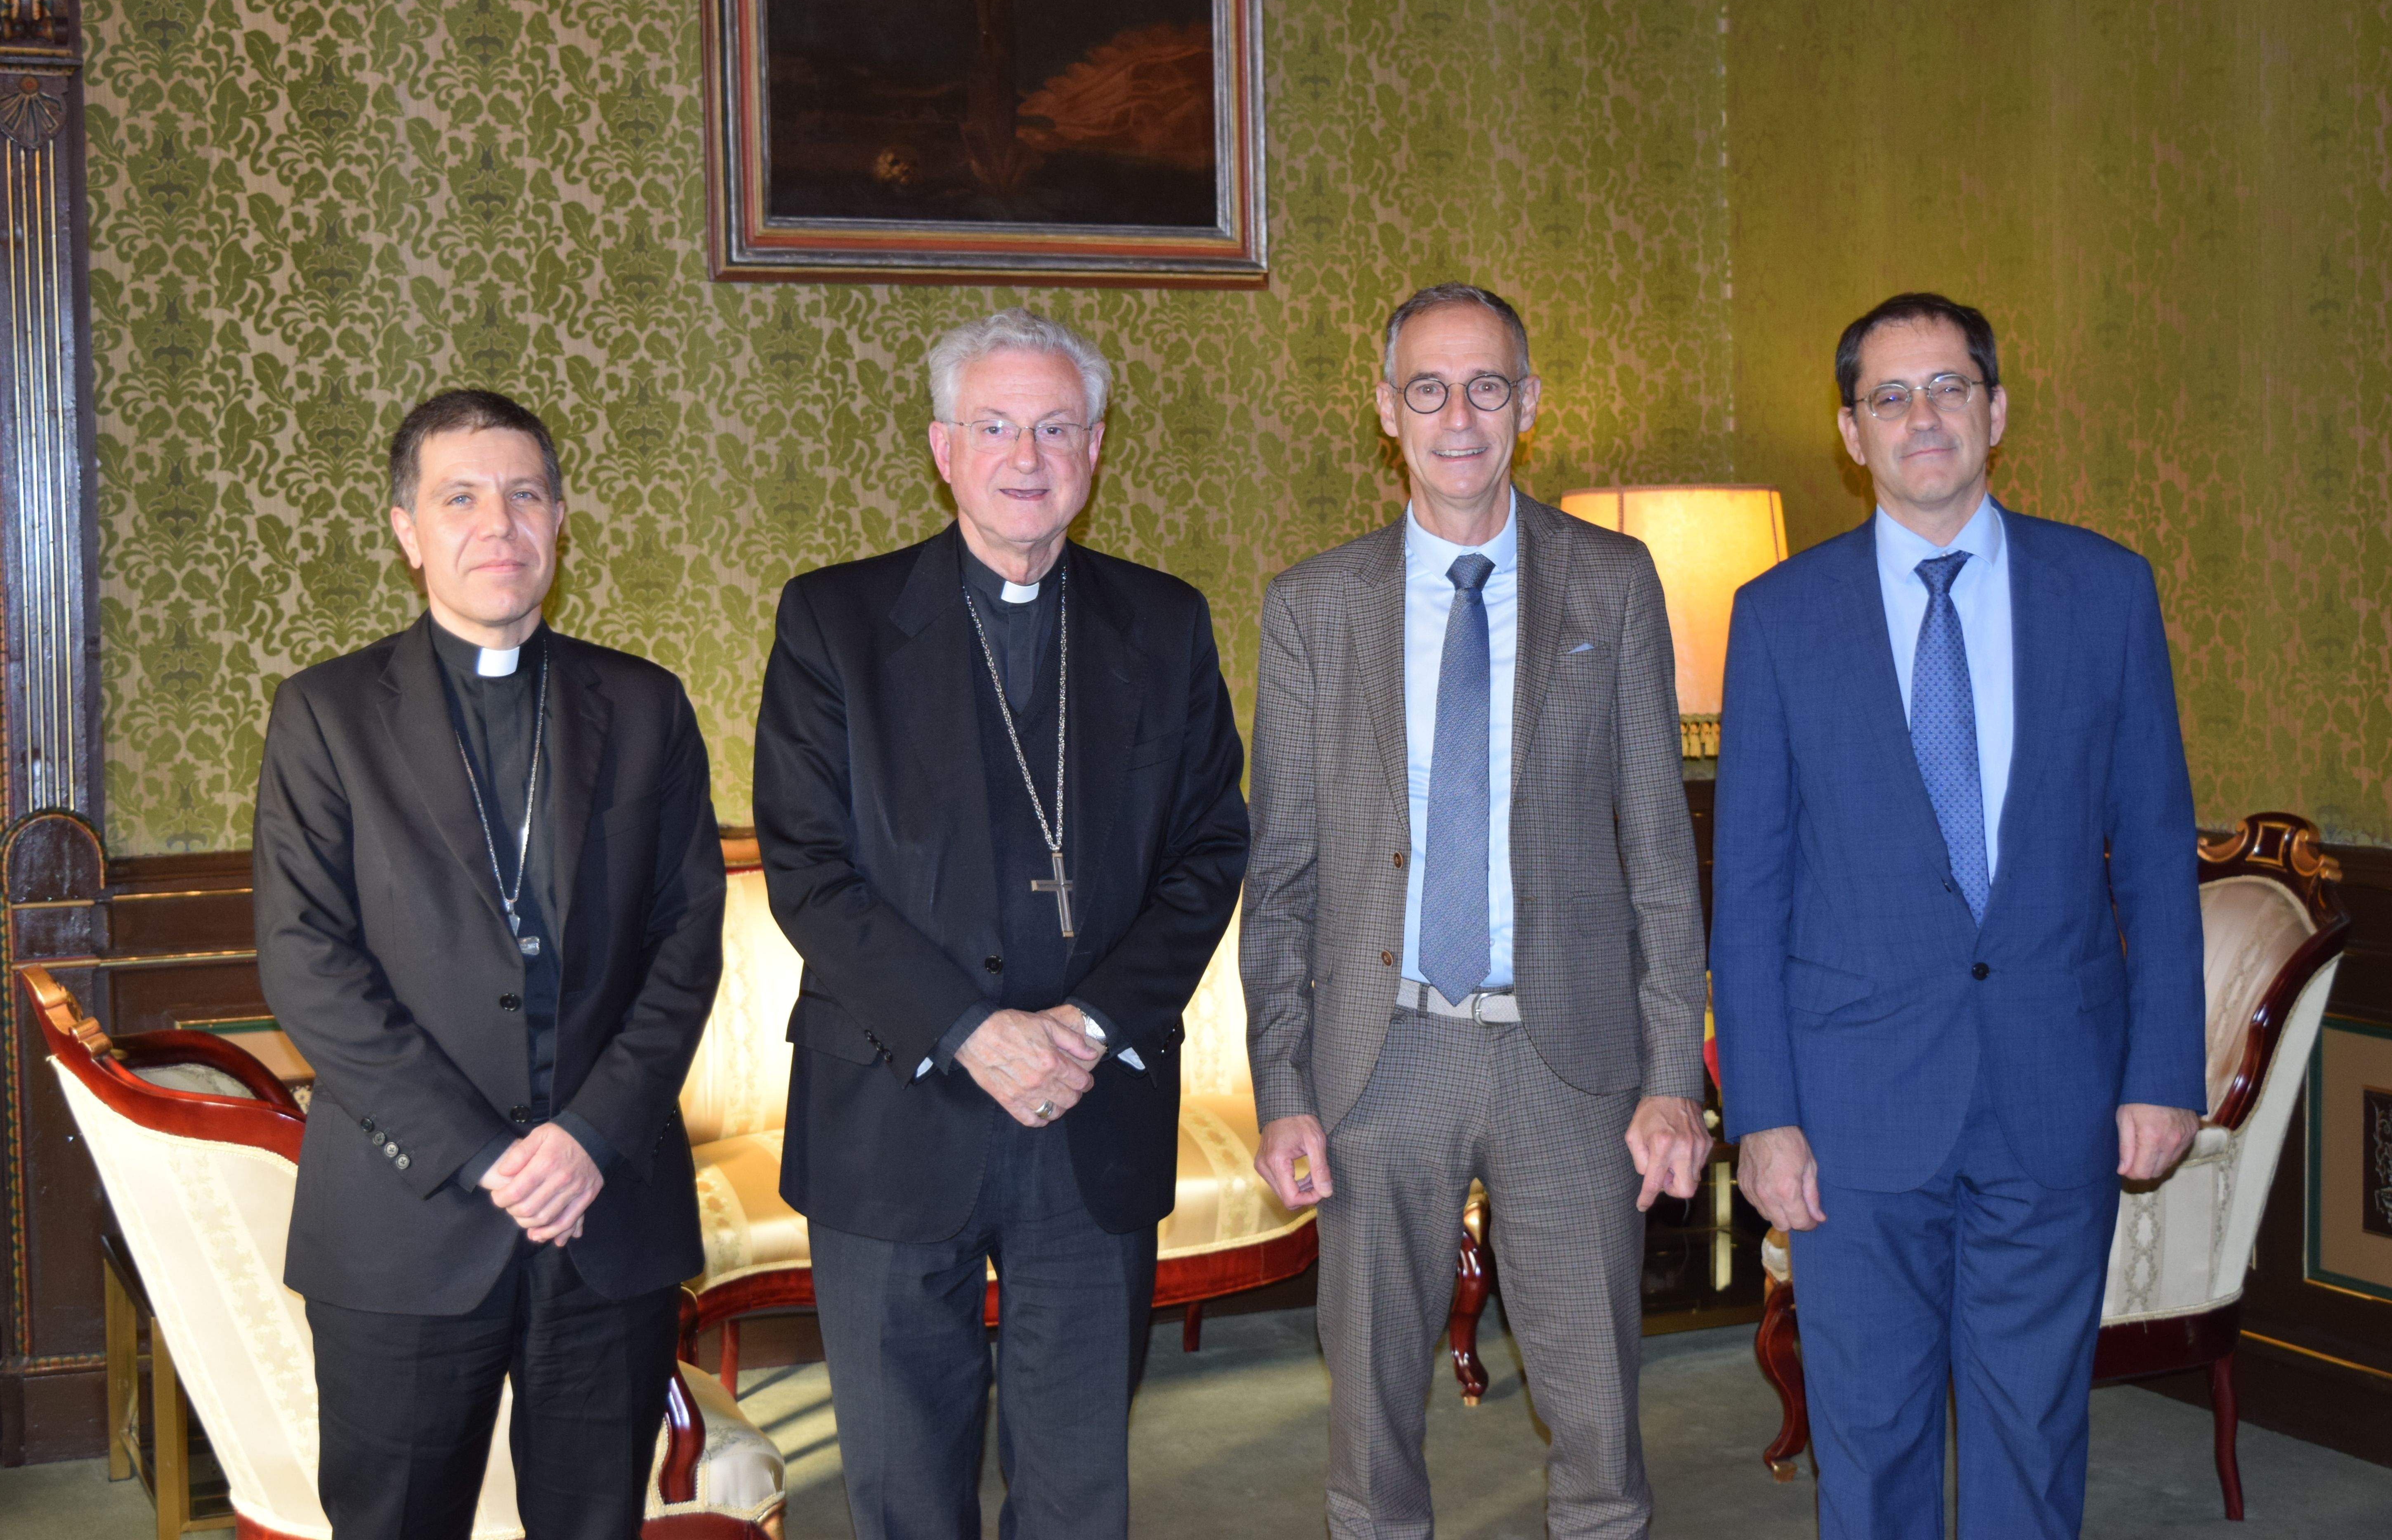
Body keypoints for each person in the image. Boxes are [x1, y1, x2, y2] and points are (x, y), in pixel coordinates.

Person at [1712, 293, 2206, 1537]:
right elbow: (1753, 890)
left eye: (1947, 388)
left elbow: (2153, 855)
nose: (1922, 416)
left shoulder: (2106, 592)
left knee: (2033, 1444)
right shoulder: (1778, 617)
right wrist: (1762, 1117)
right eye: (1892, 396)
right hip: (1854, 1114)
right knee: (1869, 1448)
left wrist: (2163, 1074)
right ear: (1851, 432)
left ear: (1996, 411)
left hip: (2056, 1094)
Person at [753, 307, 1248, 1538]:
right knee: (904, 1494)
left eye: (1056, 426)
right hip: (894, 1105)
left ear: (1094, 446)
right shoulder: (836, 623)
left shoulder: (1165, 623)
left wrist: (1082, 1024)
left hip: (1090, 1107)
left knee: (1079, 1490)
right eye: (994, 426)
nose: (1026, 456)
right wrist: (973, 1029)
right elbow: (809, 868)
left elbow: (1207, 852)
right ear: (941, 447)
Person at [1242, 282, 1710, 1538]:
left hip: (1569, 1061)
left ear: (1530, 406)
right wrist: (1282, 1086)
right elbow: (1280, 875)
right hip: (1377, 1054)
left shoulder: (1612, 585)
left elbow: (1660, 851)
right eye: (1430, 389)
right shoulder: (1312, 606)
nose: (1460, 416)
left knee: (1600, 1416)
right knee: (1371, 1426)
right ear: (1385, 410)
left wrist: (1675, 1075)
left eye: (1488, 386)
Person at [253, 389, 725, 1540]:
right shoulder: (326, 716)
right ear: (408, 529)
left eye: (524, 495)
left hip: (603, 1218)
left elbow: (686, 943)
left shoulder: (647, 706)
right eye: (460, 497)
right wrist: (487, 1156)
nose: (497, 525)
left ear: (563, 522)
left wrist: (590, 1136)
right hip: (407, 1224)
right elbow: (308, 963)